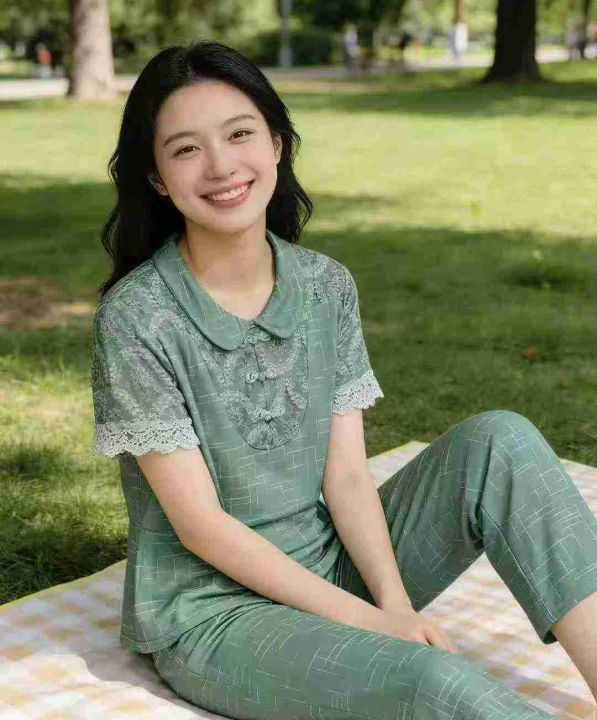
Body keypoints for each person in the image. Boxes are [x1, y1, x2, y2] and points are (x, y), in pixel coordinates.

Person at [90, 39, 597, 719]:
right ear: (156, 178)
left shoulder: (325, 285)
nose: (220, 166)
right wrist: (372, 626)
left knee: (500, 441)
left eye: (239, 134)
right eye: (185, 149)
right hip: (217, 616)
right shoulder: (138, 317)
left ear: (276, 144)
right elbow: (202, 527)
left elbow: (348, 477)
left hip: (331, 565)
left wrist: (392, 605)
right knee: (432, 682)